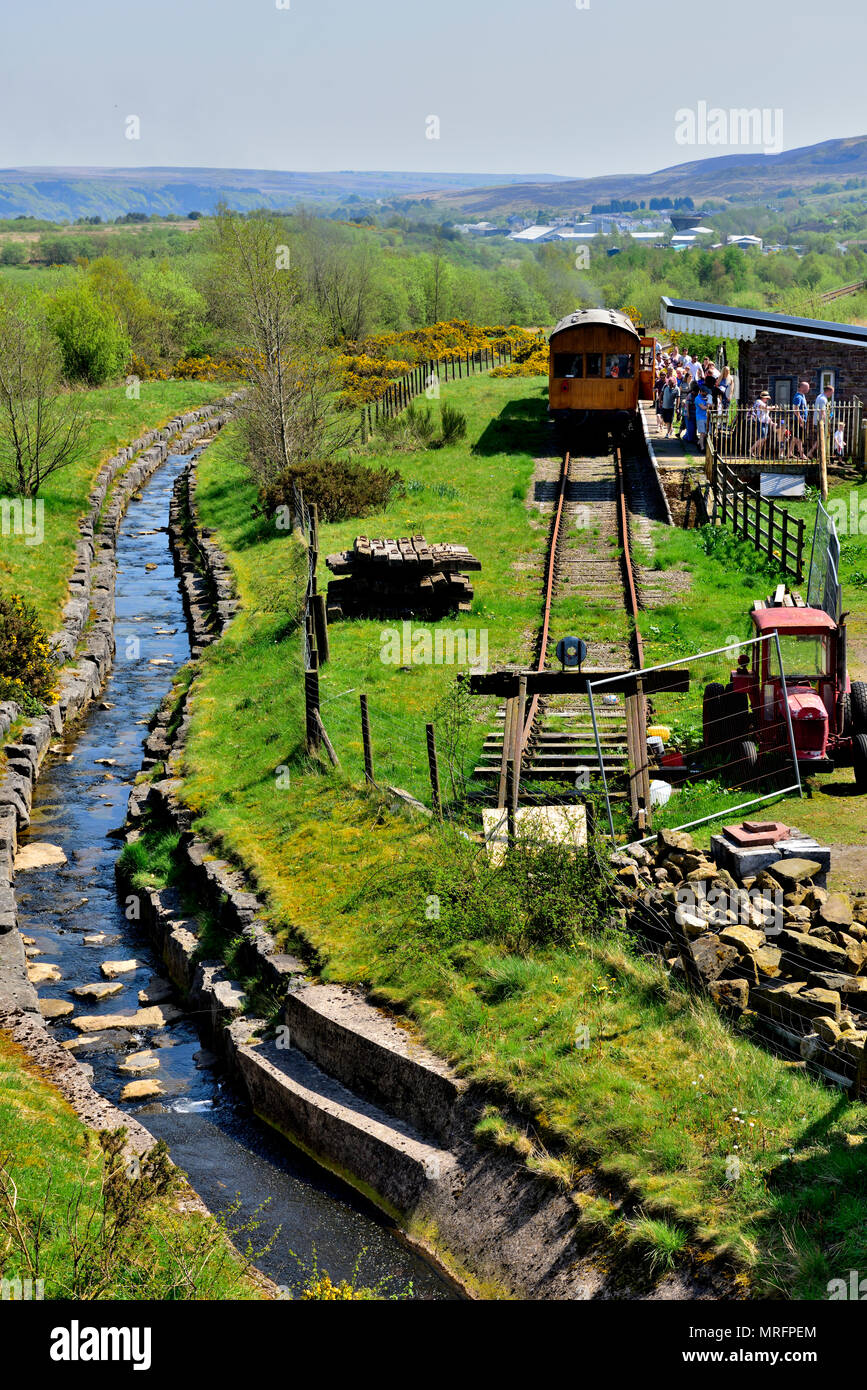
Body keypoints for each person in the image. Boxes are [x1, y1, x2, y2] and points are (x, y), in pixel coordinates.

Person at [660, 372, 680, 438]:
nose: (670, 385)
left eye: (671, 383)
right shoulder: (665, 386)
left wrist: (677, 408)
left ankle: (668, 433)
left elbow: (678, 399)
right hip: (664, 406)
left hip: (671, 407)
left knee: (669, 420)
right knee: (665, 420)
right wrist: (660, 402)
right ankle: (671, 429)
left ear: (674, 383)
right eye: (669, 383)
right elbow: (661, 394)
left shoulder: (677, 389)